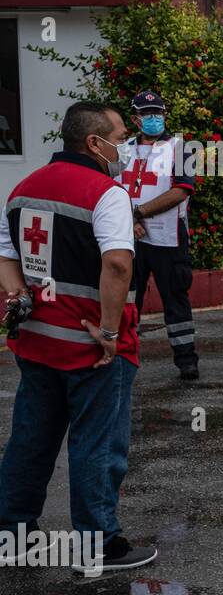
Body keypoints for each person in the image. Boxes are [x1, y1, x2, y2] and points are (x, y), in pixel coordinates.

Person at [0, 101, 156, 571]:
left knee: (31, 439)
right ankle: (98, 543)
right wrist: (109, 331)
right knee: (97, 443)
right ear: (94, 143)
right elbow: (117, 264)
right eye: (121, 136)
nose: (125, 146)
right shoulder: (106, 193)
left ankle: (12, 534)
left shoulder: (22, 190)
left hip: (37, 340)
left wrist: (18, 299)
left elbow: (5, 256)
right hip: (92, 347)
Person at [120, 89, 199, 380]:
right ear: (135, 119)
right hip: (129, 238)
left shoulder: (184, 148)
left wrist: (136, 214)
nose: (154, 118)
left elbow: (181, 191)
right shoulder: (122, 149)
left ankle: (187, 359)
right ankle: (124, 357)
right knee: (127, 300)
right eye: (146, 114)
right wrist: (129, 221)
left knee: (176, 298)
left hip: (169, 238)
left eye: (158, 113)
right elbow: (110, 187)